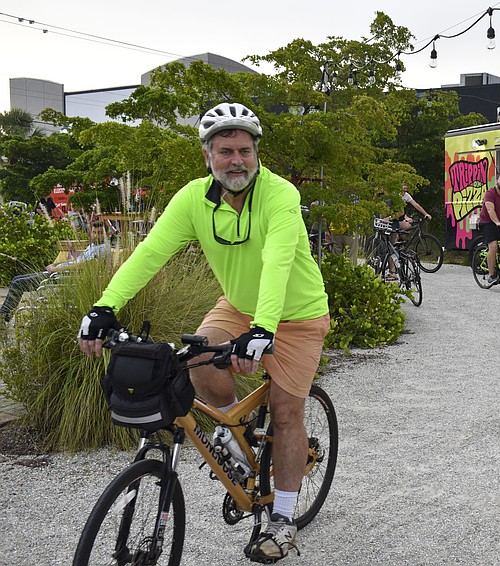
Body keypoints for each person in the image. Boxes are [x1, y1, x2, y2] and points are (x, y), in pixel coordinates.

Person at [76, 102, 330, 563]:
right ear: (207, 156)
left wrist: (264, 329)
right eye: (226, 151)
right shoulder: (193, 198)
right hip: (237, 306)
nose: (237, 160)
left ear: (257, 153)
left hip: (296, 315)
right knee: (196, 361)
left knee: (286, 409)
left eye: (246, 151)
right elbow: (151, 253)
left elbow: (277, 261)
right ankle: (235, 430)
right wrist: (104, 306)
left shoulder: (280, 195)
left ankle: (284, 518)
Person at [1, 219, 110, 322]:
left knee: (19, 283)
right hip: (59, 272)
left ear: (106, 234)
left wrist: (57, 269)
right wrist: (55, 264)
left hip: (66, 277)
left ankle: (3, 318)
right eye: (94, 232)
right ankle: (4, 316)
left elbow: (85, 265)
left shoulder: (103, 248)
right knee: (16, 279)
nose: (96, 235)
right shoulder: (92, 246)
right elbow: (77, 260)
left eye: (100, 233)